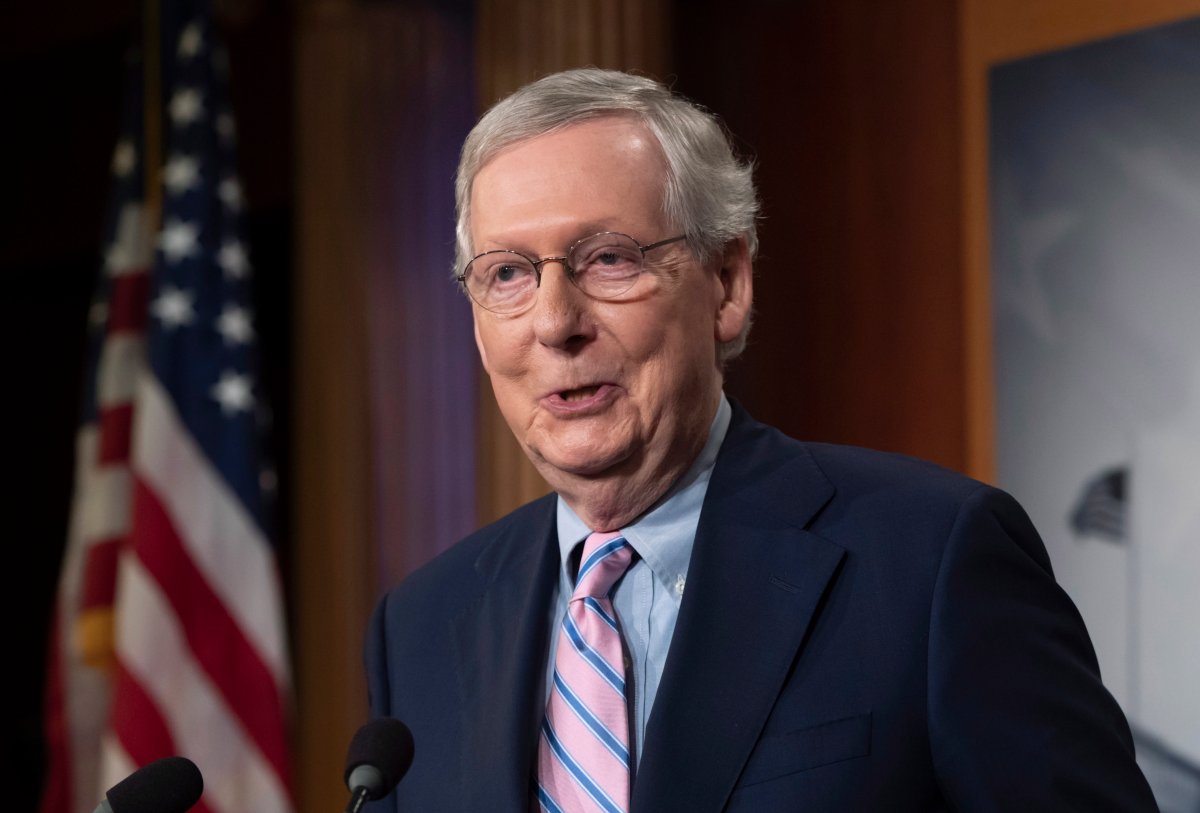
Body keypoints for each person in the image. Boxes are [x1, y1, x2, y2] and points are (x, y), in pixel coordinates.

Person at [363, 68, 1158, 812]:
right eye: (507, 274)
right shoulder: (423, 627)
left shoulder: (933, 562)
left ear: (729, 284)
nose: (554, 322)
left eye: (608, 259)